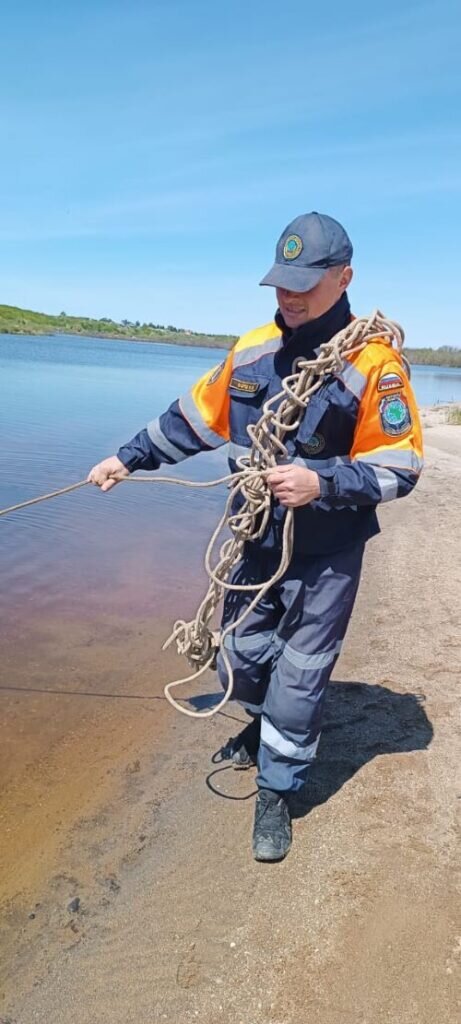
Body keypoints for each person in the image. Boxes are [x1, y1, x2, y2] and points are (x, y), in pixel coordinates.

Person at [88, 212, 423, 862]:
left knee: (299, 675)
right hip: (253, 544)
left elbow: (400, 468)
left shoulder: (372, 365)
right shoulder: (249, 351)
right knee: (237, 655)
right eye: (280, 284)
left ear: (343, 277)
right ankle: (257, 725)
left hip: (324, 552)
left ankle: (276, 791)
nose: (288, 297)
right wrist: (125, 459)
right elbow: (190, 420)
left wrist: (320, 482)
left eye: (304, 283)